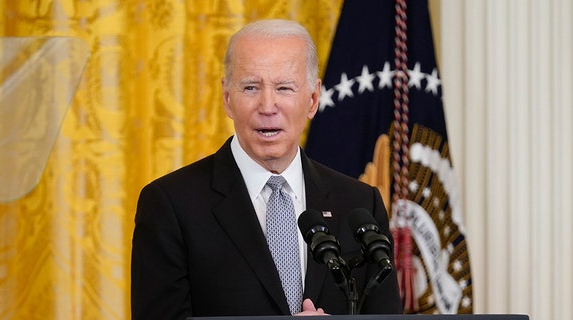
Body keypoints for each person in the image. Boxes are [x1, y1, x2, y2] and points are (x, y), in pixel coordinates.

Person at [131, 19, 402, 320]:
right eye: (251, 87)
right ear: (227, 98)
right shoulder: (171, 205)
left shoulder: (360, 204)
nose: (267, 106)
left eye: (284, 88)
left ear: (312, 99)